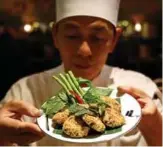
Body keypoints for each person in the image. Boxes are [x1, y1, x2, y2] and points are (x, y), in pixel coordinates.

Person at [0, 0, 162, 146]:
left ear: (114, 40)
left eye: (97, 37)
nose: (84, 51)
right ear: (55, 35)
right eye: (72, 36)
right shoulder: (24, 91)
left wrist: (155, 128)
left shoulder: (142, 89)